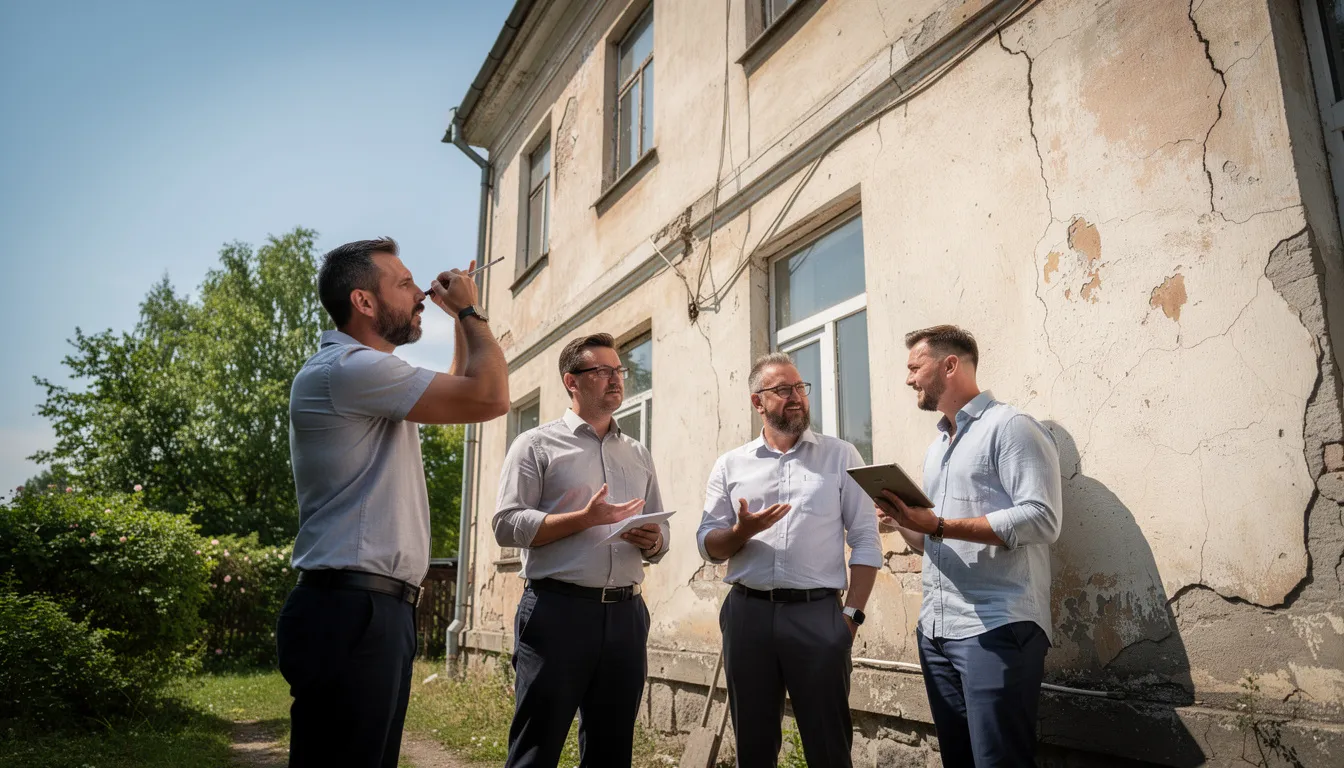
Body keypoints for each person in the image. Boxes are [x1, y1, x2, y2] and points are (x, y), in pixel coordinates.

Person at [278, 237, 508, 768]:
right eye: (404, 285)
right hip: (350, 609)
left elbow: (457, 389)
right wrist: (471, 311)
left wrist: (457, 321)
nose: (419, 294)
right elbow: (490, 397)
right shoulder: (349, 368)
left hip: (367, 608)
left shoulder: (365, 376)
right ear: (363, 302)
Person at [877, 325, 1062, 767]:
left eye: (914, 367)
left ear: (950, 365)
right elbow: (933, 543)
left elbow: (1042, 518)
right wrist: (904, 522)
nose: (908, 380)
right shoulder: (938, 445)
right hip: (938, 632)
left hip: (996, 628)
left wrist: (938, 524)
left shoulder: (1011, 427)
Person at [493, 332, 670, 768]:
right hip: (558, 612)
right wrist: (583, 520)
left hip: (627, 616)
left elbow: (660, 533)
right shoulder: (535, 444)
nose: (616, 379)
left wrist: (654, 541)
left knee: (612, 751)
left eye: (619, 370)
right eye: (603, 371)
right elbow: (505, 525)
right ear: (572, 382)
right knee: (537, 746)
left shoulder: (637, 452)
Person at [697, 353, 882, 768]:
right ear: (757, 402)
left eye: (800, 387)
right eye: (783, 390)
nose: (796, 397)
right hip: (748, 616)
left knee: (829, 746)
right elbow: (708, 546)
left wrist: (850, 618)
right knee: (755, 746)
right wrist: (741, 533)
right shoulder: (731, 465)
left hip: (818, 616)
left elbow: (867, 542)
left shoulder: (841, 456)